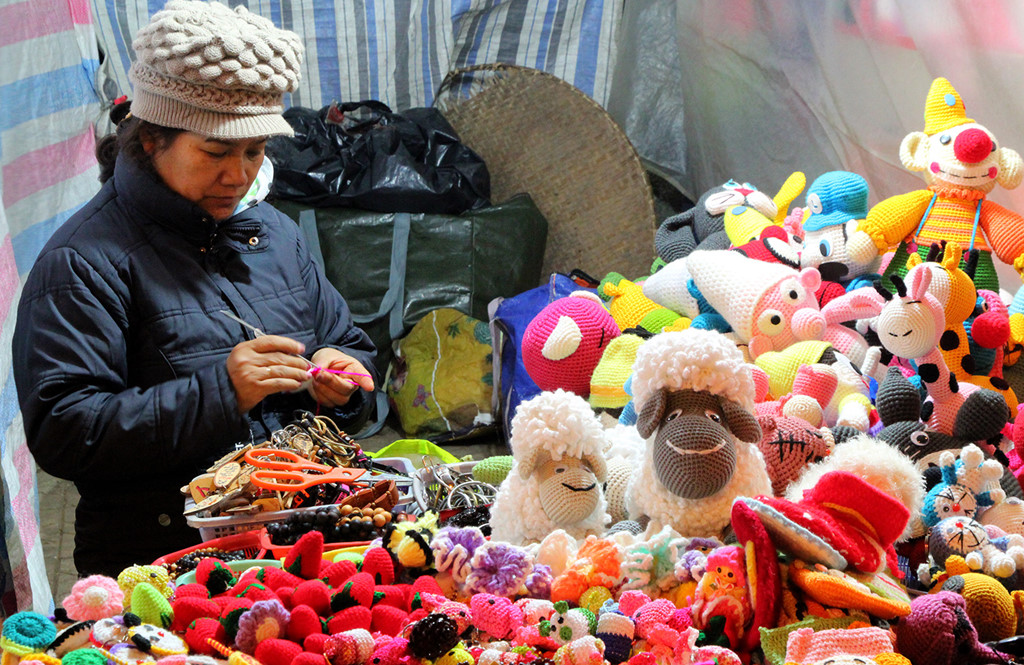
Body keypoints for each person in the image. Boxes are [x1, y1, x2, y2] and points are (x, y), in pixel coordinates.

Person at [11, 0, 379, 575]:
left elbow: (348, 344)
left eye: (255, 151)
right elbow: (63, 431)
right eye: (215, 152)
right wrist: (221, 392)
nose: (238, 175)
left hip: (298, 548)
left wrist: (345, 378)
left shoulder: (277, 235)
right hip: (163, 568)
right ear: (152, 138)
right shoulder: (82, 261)